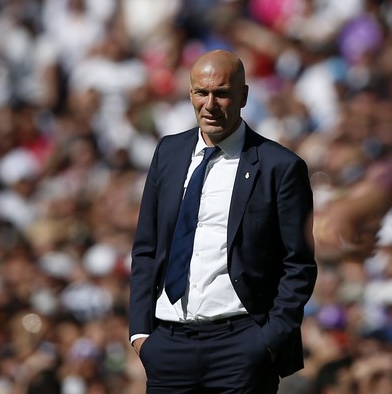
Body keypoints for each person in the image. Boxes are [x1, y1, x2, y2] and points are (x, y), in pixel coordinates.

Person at [129, 48, 317, 394]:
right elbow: (146, 248)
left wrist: (269, 340)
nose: (210, 104)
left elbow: (299, 263)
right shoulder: (168, 153)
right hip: (168, 344)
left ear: (243, 96)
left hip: (242, 346)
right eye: (202, 92)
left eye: (222, 93)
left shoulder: (280, 167)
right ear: (190, 93)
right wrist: (141, 334)